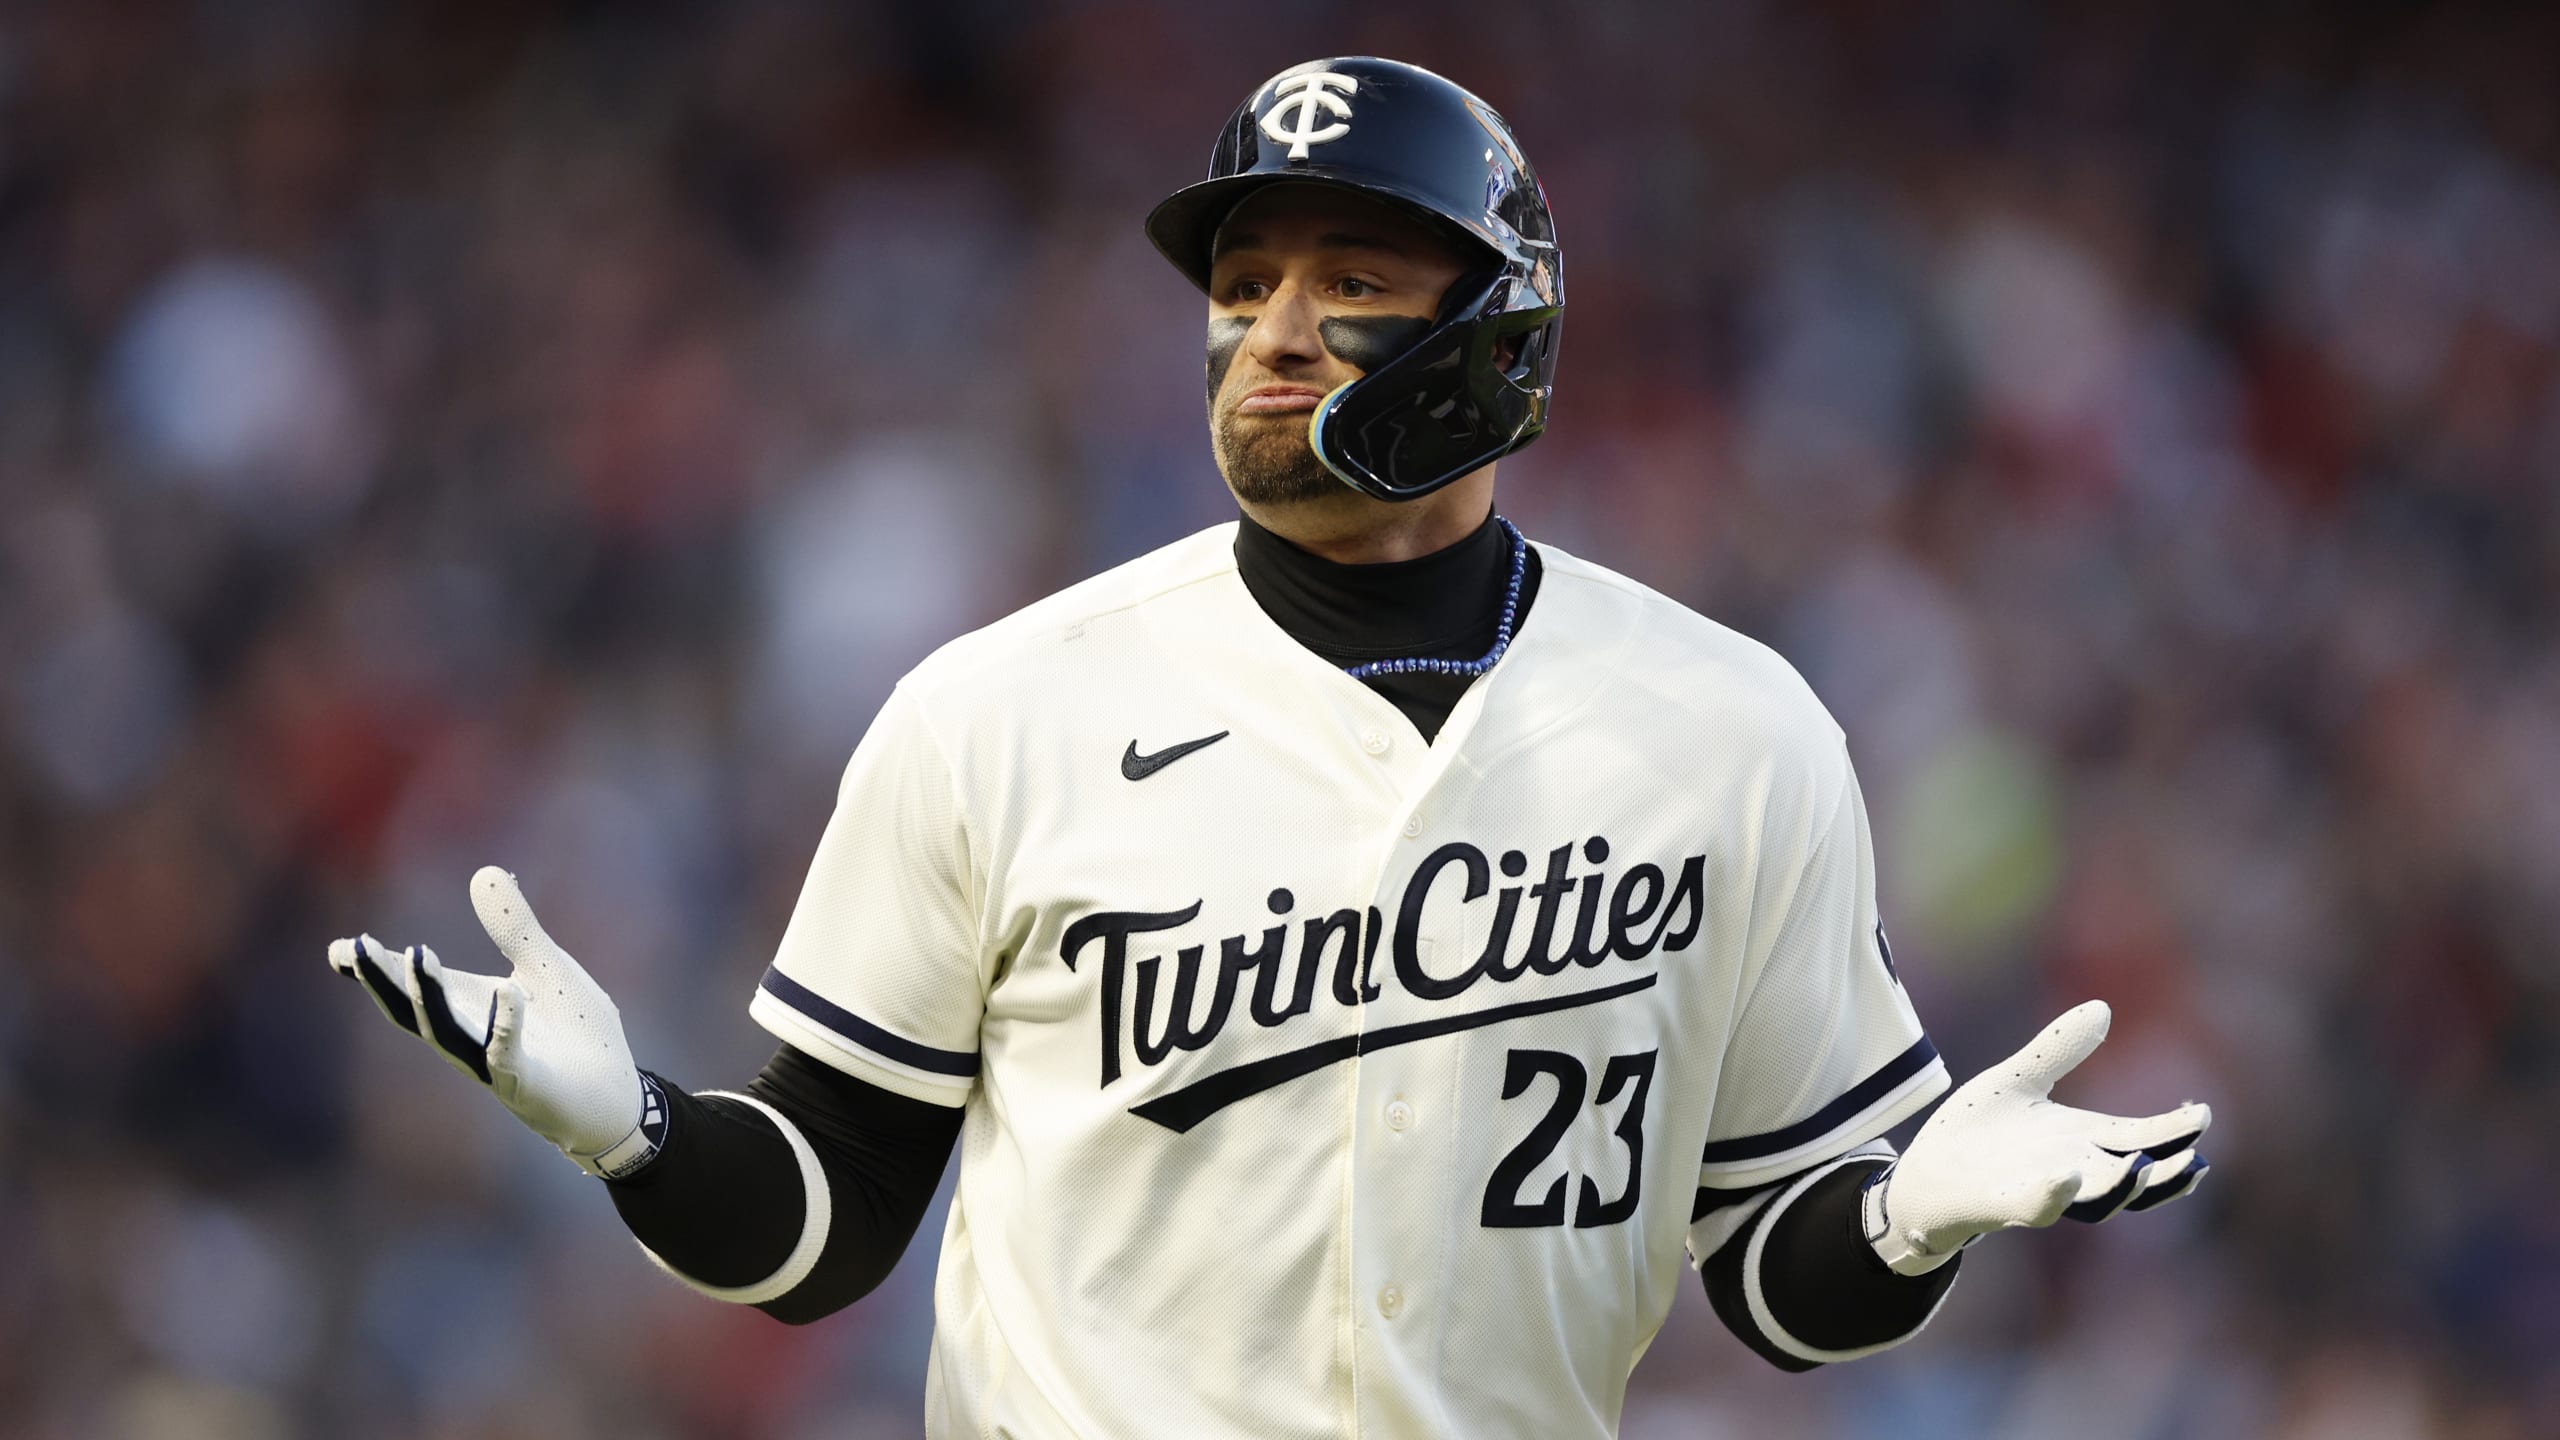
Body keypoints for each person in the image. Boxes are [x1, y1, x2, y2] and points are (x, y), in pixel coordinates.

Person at [328, 56, 2213, 1439]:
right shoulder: (1000, 710)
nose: (1271, 335)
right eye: (1242, 288)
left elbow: (1780, 1293)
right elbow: (817, 1231)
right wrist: (639, 1137)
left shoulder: (1730, 729)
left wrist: (1903, 1222)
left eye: (1351, 285)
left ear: (1503, 335)